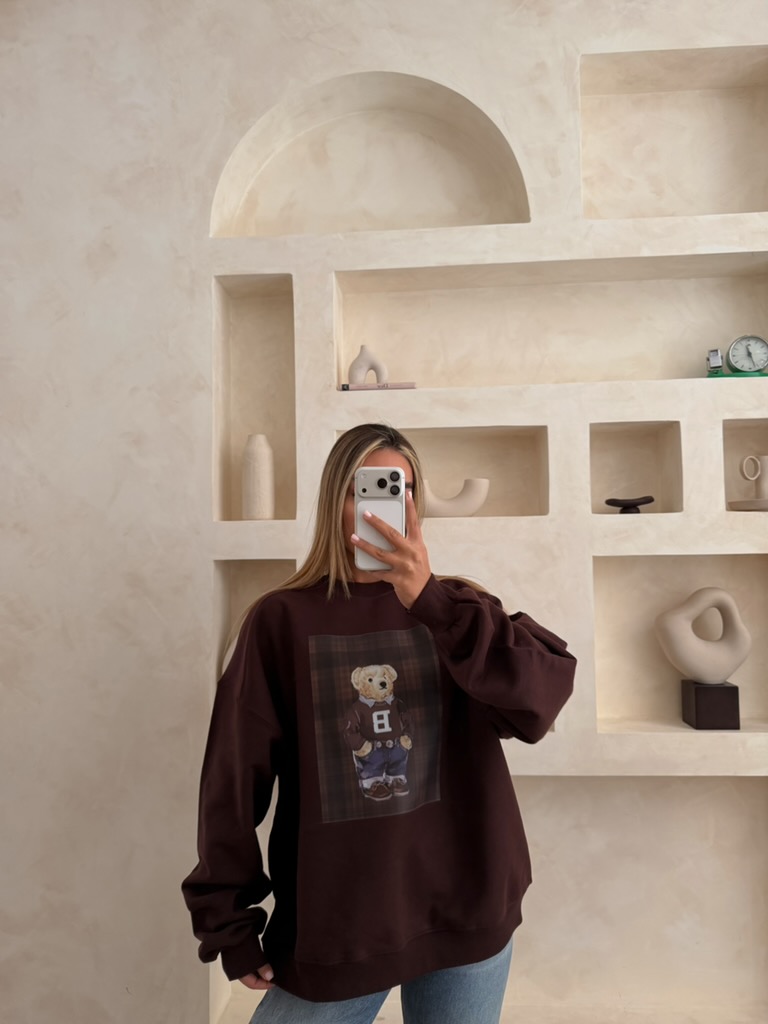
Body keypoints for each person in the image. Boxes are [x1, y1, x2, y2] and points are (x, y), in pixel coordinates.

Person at [181, 423, 576, 1024]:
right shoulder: (281, 621)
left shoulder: (458, 609)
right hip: (344, 927)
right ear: (335, 501)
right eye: (365, 489)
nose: (385, 506)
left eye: (402, 489)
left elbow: (540, 700)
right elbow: (232, 784)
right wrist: (228, 923)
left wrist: (432, 602)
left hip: (467, 909)